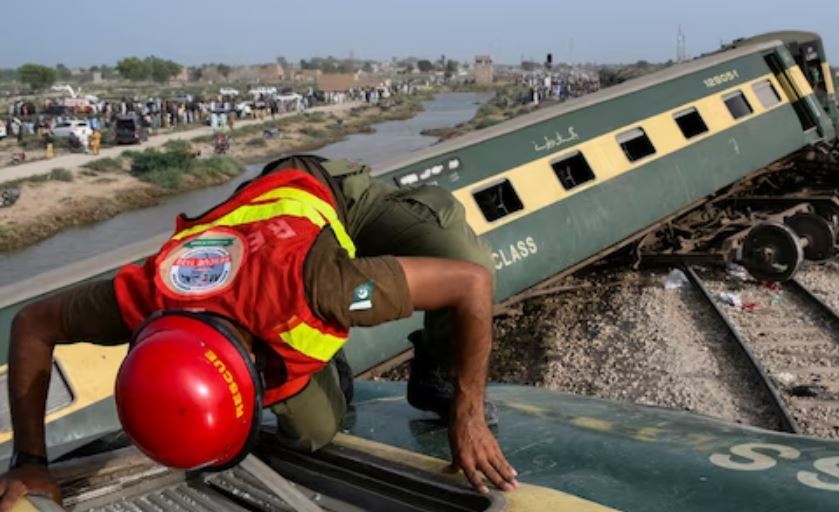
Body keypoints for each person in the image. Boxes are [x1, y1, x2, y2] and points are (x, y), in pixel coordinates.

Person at [0, 155, 517, 509]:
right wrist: (30, 461)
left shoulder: (324, 289)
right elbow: (33, 324)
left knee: (460, 253)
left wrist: (467, 412)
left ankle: (436, 377)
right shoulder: (146, 294)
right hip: (256, 241)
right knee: (314, 432)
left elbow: (469, 285)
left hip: (327, 196)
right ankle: (329, 367)